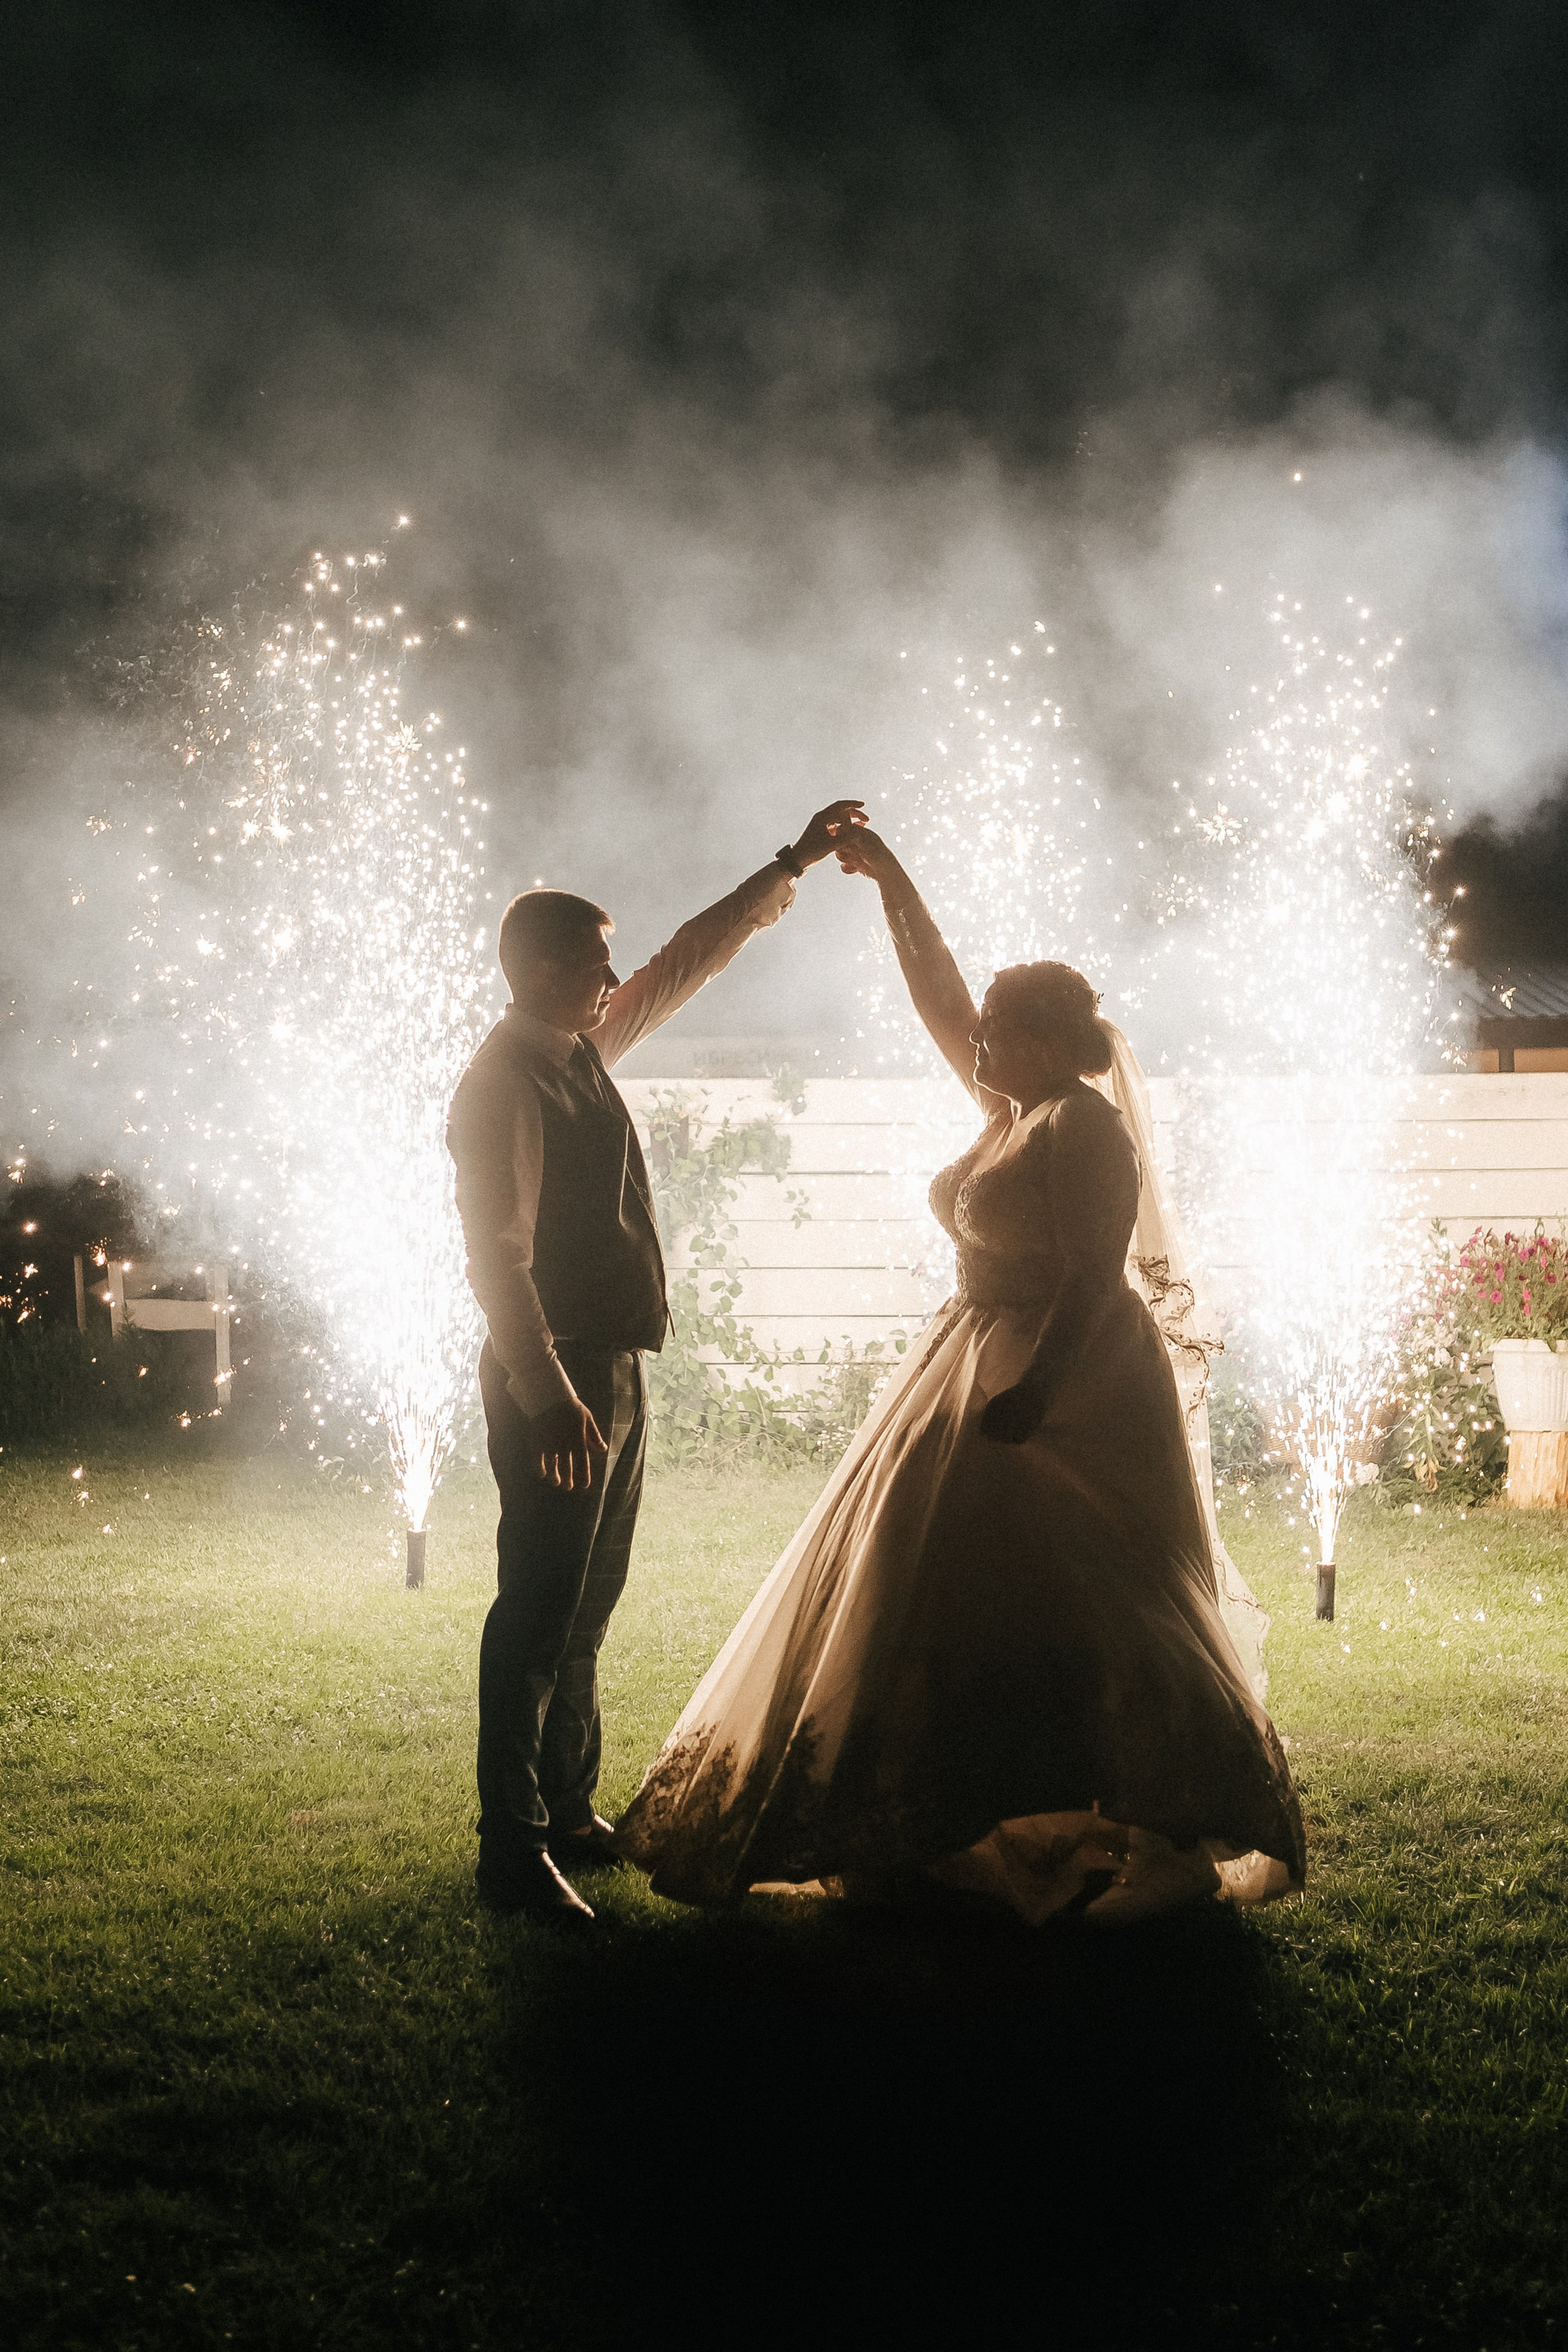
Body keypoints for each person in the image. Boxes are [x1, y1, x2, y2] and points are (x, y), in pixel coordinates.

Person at [617, 827, 1305, 1923]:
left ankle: (1159, 1824)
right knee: (940, 1594)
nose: (972, 1043)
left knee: (1102, 1601)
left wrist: (1036, 1394)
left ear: (1039, 1041)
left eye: (995, 1031)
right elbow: (940, 996)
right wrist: (894, 884)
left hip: (1070, 1387)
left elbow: (1090, 1276)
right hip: (973, 1360)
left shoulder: (1086, 1129)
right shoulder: (1014, 1109)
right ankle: (937, 1811)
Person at [448, 800, 867, 1922]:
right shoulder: (507, 1084)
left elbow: (684, 964)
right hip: (560, 1374)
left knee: (586, 1603)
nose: (611, 972)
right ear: (538, 969)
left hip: (609, 1368)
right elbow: (499, 1257)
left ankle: (568, 1807)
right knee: (536, 1608)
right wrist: (550, 1397)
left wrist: (790, 866)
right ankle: (511, 1848)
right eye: (592, 958)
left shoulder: (578, 1048)